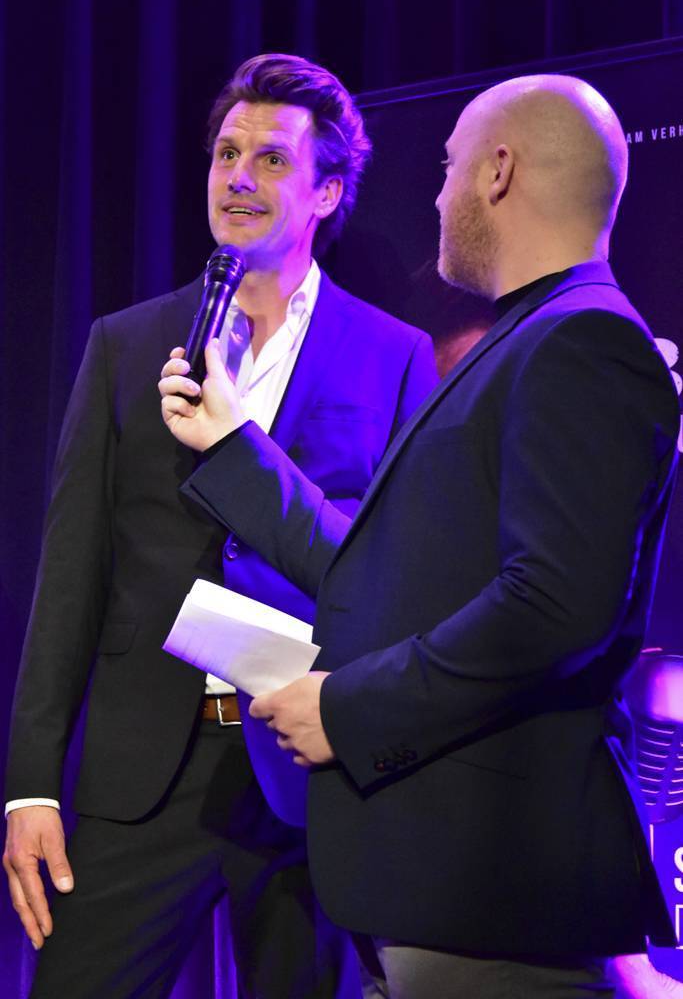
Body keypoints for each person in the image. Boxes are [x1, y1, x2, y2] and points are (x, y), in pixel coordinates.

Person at [159, 74, 680, 998]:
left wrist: (347, 710)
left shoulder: (582, 343)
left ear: (497, 171)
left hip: (491, 897)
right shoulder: (528, 340)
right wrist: (236, 449)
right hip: (434, 896)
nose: (436, 197)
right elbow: (388, 574)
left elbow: (553, 609)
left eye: (446, 168)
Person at [3, 53, 437, 998]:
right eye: (226, 154)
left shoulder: (394, 356)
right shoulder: (126, 345)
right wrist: (30, 785)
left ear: (326, 192)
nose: (239, 177)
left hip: (303, 772)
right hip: (143, 772)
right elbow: (70, 573)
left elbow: (392, 577)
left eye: (272, 160)